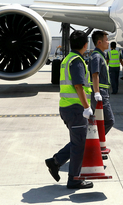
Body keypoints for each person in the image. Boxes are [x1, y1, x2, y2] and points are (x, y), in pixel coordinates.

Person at [45, 30, 94, 190]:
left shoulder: (67, 59)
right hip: (75, 108)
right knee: (79, 145)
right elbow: (78, 86)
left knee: (77, 141)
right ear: (85, 45)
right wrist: (87, 108)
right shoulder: (77, 61)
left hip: (67, 106)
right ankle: (74, 180)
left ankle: (55, 161)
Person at [89, 30, 115, 135]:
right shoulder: (97, 57)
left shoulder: (100, 55)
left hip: (102, 91)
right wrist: (97, 93)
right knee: (109, 120)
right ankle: (94, 141)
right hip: (101, 92)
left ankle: (95, 142)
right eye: (106, 40)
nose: (108, 42)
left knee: (99, 120)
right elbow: (95, 75)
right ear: (99, 42)